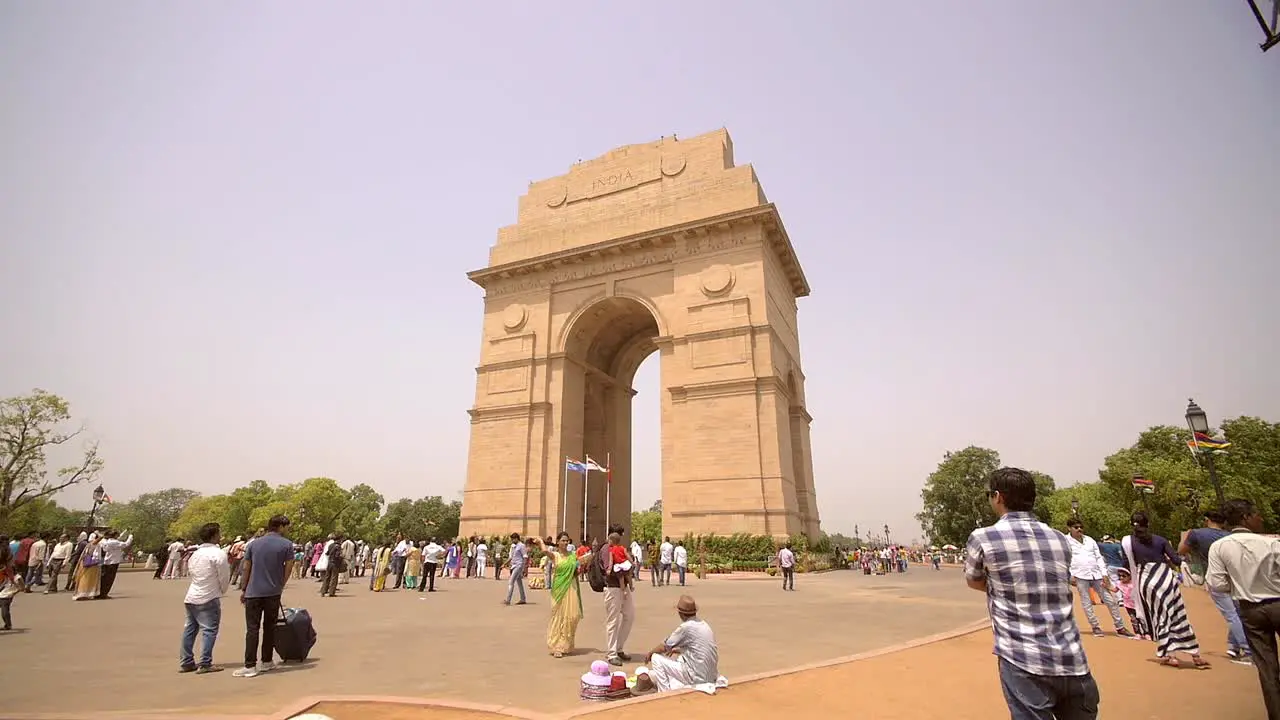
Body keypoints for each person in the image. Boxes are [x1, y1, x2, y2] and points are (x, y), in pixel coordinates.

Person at [965, 467, 1100, 719]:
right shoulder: (1059, 538)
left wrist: (1005, 587)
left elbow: (974, 580)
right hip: (1072, 658)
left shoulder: (983, 537)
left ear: (998, 497)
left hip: (1022, 659)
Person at [1207, 498, 1280, 717]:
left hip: (1250, 610)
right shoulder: (1271, 543)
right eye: (1256, 514)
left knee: (1267, 670)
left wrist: (1239, 584)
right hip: (1277, 601)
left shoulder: (1219, 546)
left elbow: (1217, 584)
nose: (1261, 518)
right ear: (1245, 518)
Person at [1122, 511, 1209, 669]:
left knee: (1160, 617)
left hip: (1147, 581)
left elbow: (1126, 565)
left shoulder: (1128, 542)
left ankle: (1170, 655)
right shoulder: (1160, 540)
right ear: (1148, 524)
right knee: (1179, 615)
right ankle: (1195, 654)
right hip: (1165, 579)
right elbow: (1175, 560)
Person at [1180, 508, 1251, 664]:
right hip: (1236, 578)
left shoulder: (1197, 534)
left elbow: (1181, 550)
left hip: (1215, 577)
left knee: (1232, 615)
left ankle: (1247, 651)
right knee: (1237, 613)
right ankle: (1233, 646)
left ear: (1207, 520)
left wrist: (1186, 536)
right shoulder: (1231, 536)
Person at [235, 514, 293, 678]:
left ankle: (250, 665)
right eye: (287, 526)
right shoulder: (287, 545)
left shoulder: (254, 544)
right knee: (270, 627)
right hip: (273, 592)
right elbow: (288, 568)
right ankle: (266, 661)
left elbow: (247, 567)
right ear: (280, 526)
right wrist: (281, 584)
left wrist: (244, 589)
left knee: (252, 629)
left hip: (254, 592)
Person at [634, 595, 720, 693]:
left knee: (656, 658)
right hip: (711, 676)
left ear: (680, 613)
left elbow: (664, 646)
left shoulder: (685, 627)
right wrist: (678, 650)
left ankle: (664, 692)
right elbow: (697, 648)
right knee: (679, 658)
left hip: (697, 677)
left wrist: (650, 653)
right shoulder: (704, 624)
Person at [1064, 520, 1133, 638]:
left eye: (1081, 527)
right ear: (1069, 528)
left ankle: (1120, 626)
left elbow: (1098, 557)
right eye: (1076, 527)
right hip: (1080, 575)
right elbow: (1064, 559)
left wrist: (1104, 573)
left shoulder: (1089, 540)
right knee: (1086, 602)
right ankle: (1095, 626)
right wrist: (1070, 575)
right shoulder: (1065, 541)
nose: (1079, 529)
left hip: (1096, 574)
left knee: (1110, 600)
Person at [180, 522, 230, 674]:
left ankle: (186, 661)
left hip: (192, 595)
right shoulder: (218, 554)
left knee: (190, 629)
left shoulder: (195, 554)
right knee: (209, 630)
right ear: (215, 536)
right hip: (208, 596)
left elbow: (193, 572)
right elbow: (224, 576)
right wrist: (222, 590)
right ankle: (205, 662)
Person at [539, 532, 589, 658]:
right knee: (559, 617)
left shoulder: (572, 555)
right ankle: (556, 646)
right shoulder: (555, 555)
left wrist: (584, 563)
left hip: (571, 586)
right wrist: (540, 541)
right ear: (558, 542)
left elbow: (578, 567)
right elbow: (545, 552)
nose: (566, 543)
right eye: (563, 540)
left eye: (567, 541)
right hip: (559, 589)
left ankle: (566, 644)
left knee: (573, 616)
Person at [603, 527, 635, 667]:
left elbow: (628, 559)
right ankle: (611, 653)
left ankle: (618, 647)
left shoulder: (620, 548)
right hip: (612, 588)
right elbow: (607, 568)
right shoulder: (606, 550)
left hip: (623, 587)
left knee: (629, 615)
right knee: (613, 621)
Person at [97, 529, 134, 599]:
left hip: (107, 561)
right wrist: (130, 537)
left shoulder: (107, 541)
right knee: (109, 579)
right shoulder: (114, 542)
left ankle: (100, 593)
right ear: (115, 535)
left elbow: (119, 539)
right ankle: (104, 594)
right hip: (113, 562)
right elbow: (126, 544)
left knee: (104, 579)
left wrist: (125, 532)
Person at [0, 537, 25, 630]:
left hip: (6, 592)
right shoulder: (9, 567)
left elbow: (18, 579)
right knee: (4, 609)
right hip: (5, 590)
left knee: (4, 609)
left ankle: (8, 624)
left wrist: (20, 587)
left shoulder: (9, 570)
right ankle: (8, 624)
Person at [503, 533, 527, 605]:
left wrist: (524, 568)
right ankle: (523, 599)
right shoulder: (513, 546)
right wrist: (504, 564)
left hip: (519, 565)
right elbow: (511, 557)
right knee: (519, 583)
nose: (512, 541)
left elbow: (525, 557)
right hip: (514, 565)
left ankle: (508, 599)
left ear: (517, 538)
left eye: (513, 539)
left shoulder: (521, 546)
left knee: (511, 582)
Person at [321, 533, 345, 597]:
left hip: (329, 563)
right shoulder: (338, 546)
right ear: (339, 539)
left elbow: (327, 553)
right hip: (335, 564)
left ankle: (323, 591)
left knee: (327, 577)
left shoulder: (330, 545)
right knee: (334, 578)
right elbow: (337, 555)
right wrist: (342, 557)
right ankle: (331, 592)